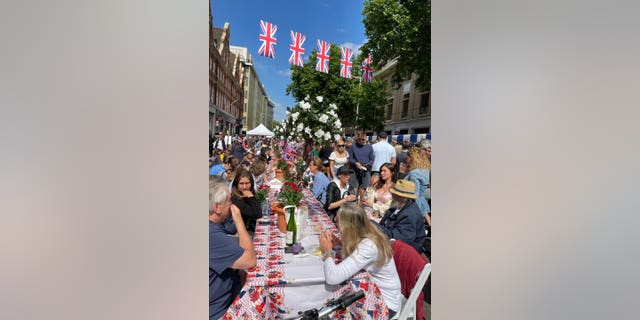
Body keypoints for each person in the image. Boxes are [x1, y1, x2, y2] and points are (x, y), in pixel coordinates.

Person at [319, 203, 402, 318]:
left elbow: (332, 277)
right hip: (373, 289)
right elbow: (355, 255)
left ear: (348, 227)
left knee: (332, 306)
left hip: (384, 302)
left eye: (337, 223)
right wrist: (340, 243)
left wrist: (328, 251)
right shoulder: (367, 231)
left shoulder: (369, 246)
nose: (336, 225)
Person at [209, 182, 256, 320]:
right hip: (219, 311)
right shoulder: (210, 234)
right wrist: (238, 219)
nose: (232, 204)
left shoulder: (214, 225)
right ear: (217, 207)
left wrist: (237, 270)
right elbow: (249, 260)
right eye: (229, 200)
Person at [376, 180, 425, 253]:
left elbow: (399, 239)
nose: (391, 194)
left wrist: (374, 226)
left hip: (404, 252)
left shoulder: (409, 214)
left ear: (400, 196)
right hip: (389, 244)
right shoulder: (398, 206)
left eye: (393, 193)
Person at [230, 169, 262, 234]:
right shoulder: (235, 200)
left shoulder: (248, 196)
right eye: (241, 183)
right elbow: (257, 214)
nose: (244, 187)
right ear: (236, 185)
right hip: (241, 233)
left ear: (252, 183)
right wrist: (251, 197)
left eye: (247, 183)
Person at [404, 148, 431, 224]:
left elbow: (415, 192)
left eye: (407, 157)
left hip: (414, 203)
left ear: (412, 158)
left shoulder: (414, 173)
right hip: (422, 201)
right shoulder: (425, 170)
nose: (406, 159)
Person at [348, 131, 375, 200]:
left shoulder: (369, 147)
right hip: (355, 170)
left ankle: (361, 204)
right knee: (354, 188)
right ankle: (353, 203)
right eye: (359, 139)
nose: (361, 141)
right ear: (357, 138)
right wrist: (355, 163)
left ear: (365, 138)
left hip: (366, 171)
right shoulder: (353, 147)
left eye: (363, 139)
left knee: (363, 189)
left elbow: (372, 159)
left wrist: (367, 165)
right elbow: (350, 158)